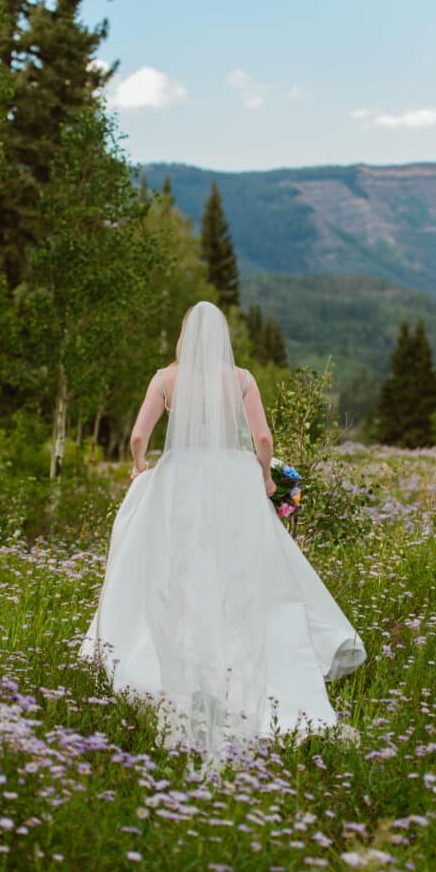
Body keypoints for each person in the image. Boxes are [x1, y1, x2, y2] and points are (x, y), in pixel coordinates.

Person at [79, 301, 365, 759]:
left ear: (185, 336)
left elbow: (138, 436)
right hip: (233, 481)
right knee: (249, 570)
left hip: (180, 479)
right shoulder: (242, 379)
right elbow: (264, 438)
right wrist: (267, 477)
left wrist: (139, 467)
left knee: (181, 568)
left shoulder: (164, 379)